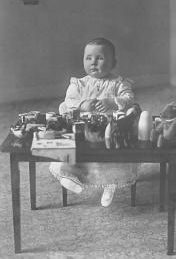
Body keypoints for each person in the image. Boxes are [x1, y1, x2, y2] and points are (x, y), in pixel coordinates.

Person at [49, 38, 139, 207]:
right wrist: (83, 104)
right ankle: (71, 175)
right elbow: (69, 102)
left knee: (108, 158)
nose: (93, 62)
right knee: (73, 150)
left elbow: (129, 99)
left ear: (113, 63)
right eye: (88, 58)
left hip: (109, 130)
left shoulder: (119, 83)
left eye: (100, 58)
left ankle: (110, 184)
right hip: (84, 129)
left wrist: (111, 102)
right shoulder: (79, 84)